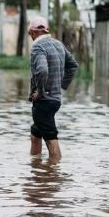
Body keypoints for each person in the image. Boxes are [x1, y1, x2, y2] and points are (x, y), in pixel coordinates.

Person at [27, 16, 78, 161]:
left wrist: (40, 92)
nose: (31, 37)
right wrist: (62, 85)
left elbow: (42, 70)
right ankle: (35, 166)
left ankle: (54, 175)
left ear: (34, 32)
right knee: (35, 134)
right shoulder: (58, 44)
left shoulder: (38, 46)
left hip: (44, 101)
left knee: (50, 137)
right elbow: (73, 65)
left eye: (30, 34)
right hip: (55, 100)